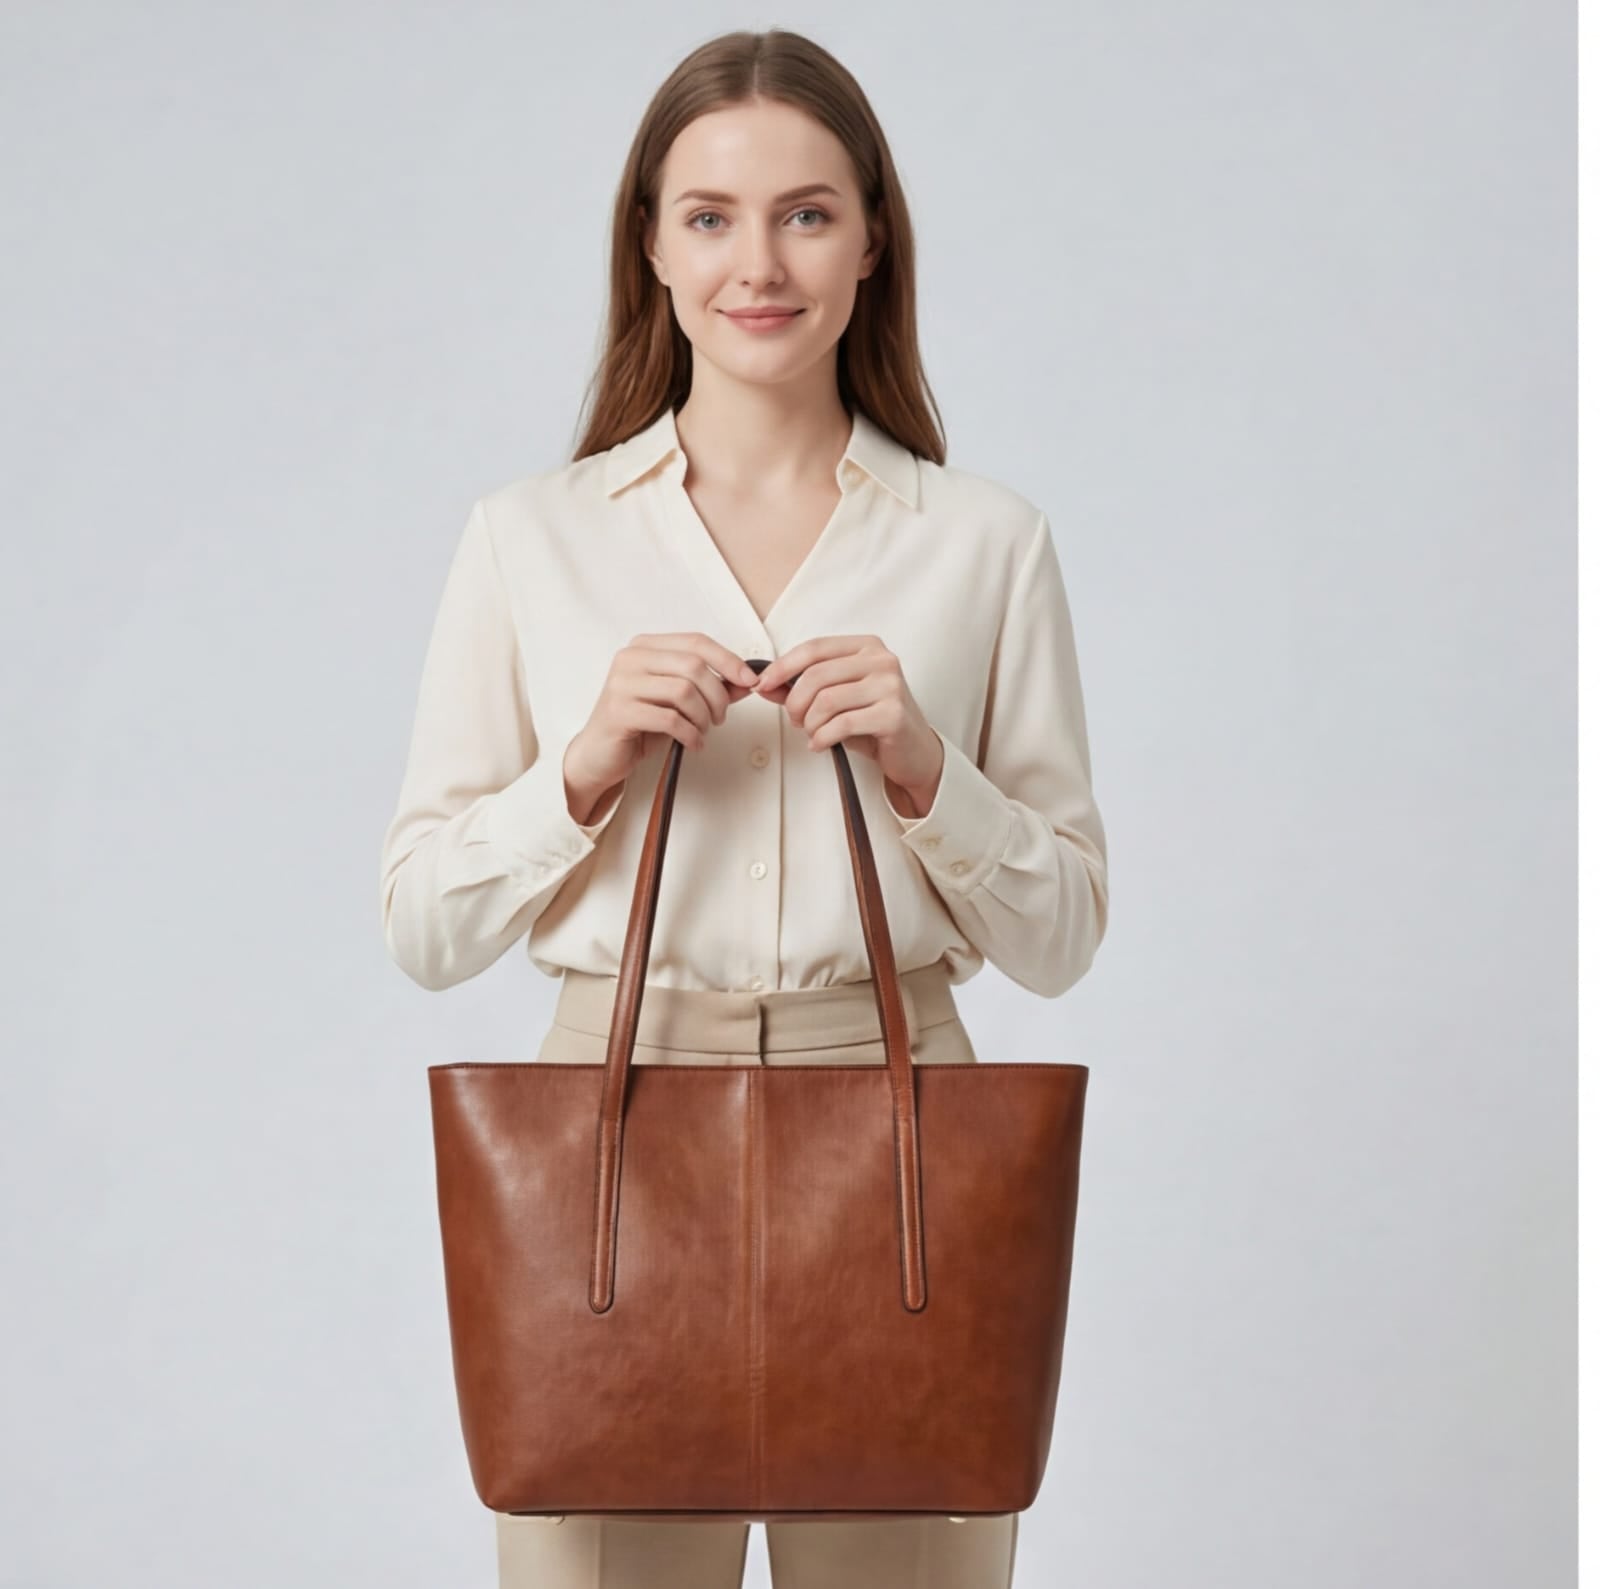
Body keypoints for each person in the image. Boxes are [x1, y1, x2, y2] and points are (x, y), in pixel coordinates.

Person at [378, 26, 1109, 1589]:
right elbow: (424, 926)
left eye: (806, 213)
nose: (758, 264)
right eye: (710, 215)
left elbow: (1063, 937)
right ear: (649, 242)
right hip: (612, 1115)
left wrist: (926, 766)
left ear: (872, 240)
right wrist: (583, 765)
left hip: (899, 1128)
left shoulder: (985, 543)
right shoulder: (531, 538)